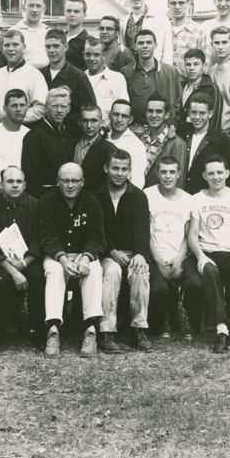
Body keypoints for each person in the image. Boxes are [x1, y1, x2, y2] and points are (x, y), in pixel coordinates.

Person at [184, 155, 230, 352]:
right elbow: (192, 234)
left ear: (227, 173)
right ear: (204, 175)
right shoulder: (197, 199)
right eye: (211, 173)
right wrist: (200, 257)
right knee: (210, 272)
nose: (216, 177)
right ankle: (222, 330)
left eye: (220, 172)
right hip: (207, 252)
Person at [40, 163, 106, 358]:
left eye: (75, 181)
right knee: (54, 271)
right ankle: (53, 331)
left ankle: (90, 330)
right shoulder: (47, 201)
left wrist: (86, 257)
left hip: (83, 254)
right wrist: (62, 259)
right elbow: (46, 236)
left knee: (94, 270)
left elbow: (97, 237)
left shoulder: (91, 202)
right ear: (57, 182)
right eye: (65, 180)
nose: (70, 185)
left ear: (82, 182)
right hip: (56, 255)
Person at [0, 166, 46, 346]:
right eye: (10, 181)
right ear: (0, 185)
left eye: (19, 182)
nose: (15, 185)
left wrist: (24, 263)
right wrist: (13, 271)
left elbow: (40, 240)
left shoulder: (36, 205)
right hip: (2, 263)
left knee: (38, 277)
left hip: (29, 260)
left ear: (25, 185)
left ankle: (38, 330)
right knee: (0, 280)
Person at [97, 149, 153, 353]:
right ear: (106, 169)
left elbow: (142, 229)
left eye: (124, 169)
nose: (119, 173)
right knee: (112, 272)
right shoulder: (97, 194)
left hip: (132, 251)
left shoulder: (138, 196)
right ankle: (107, 331)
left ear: (129, 170)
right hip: (106, 253)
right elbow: (98, 230)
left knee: (141, 271)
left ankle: (138, 329)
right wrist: (111, 251)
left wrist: (139, 253)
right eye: (115, 168)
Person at [143, 157, 194, 340]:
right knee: (157, 288)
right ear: (157, 172)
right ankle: (163, 320)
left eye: (172, 172)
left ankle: (186, 317)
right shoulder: (148, 195)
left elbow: (189, 236)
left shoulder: (188, 199)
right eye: (163, 171)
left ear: (178, 174)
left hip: (180, 256)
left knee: (195, 282)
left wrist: (179, 260)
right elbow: (146, 233)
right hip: (155, 255)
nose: (167, 176)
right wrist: (157, 259)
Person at [20, 87, 77, 198]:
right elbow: (31, 177)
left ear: (69, 109)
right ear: (46, 108)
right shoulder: (34, 136)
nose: (59, 110)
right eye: (55, 106)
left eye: (63, 106)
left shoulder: (69, 134)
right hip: (45, 198)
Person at [41, 28, 96, 137]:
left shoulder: (78, 76)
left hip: (70, 137)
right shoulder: (40, 75)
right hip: (43, 135)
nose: (51, 50)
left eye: (56, 46)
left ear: (65, 47)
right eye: (48, 46)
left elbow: (90, 109)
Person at [122, 29, 180, 128]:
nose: (145, 46)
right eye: (140, 43)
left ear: (156, 45)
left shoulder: (170, 71)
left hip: (161, 129)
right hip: (133, 128)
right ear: (135, 46)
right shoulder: (126, 72)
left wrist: (172, 126)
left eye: (149, 42)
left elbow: (177, 103)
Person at [0, 28, 48, 124]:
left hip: (22, 132)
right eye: (7, 45)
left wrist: (12, 118)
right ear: (2, 49)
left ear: (24, 47)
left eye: (15, 44)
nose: (11, 49)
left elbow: (41, 108)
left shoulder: (34, 75)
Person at [0, 89, 30, 199]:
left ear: (27, 107)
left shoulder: (28, 133)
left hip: (25, 197)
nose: (18, 109)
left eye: (22, 105)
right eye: (14, 105)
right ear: (5, 108)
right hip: (2, 197)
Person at [183, 94, 230, 194]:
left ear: (210, 113)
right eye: (194, 112)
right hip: (181, 197)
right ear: (189, 113)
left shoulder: (222, 141)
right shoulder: (182, 134)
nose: (197, 117)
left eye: (202, 113)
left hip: (206, 198)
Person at [120, 0, 173, 64]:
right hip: (130, 73)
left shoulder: (160, 20)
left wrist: (164, 74)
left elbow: (167, 51)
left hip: (154, 72)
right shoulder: (123, 22)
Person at [141, 95, 187, 188]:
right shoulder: (140, 139)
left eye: (158, 111)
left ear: (166, 115)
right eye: (150, 111)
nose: (154, 115)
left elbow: (179, 180)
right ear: (146, 113)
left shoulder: (177, 143)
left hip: (162, 196)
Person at [206, 25, 230, 131]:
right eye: (217, 43)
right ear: (211, 45)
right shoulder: (212, 70)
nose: (220, 47)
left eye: (224, 42)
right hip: (214, 128)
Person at [83, 37, 129, 121]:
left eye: (96, 55)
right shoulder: (80, 78)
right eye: (88, 54)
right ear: (83, 55)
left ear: (104, 55)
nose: (92, 59)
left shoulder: (117, 79)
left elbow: (123, 109)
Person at [106, 99, 149, 187]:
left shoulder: (136, 145)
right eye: (116, 114)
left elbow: (137, 182)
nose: (119, 119)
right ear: (110, 116)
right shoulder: (105, 138)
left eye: (124, 116)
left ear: (130, 119)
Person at [73, 105, 114, 194]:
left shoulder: (108, 149)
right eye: (85, 121)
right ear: (79, 122)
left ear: (101, 122)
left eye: (94, 121)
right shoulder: (72, 145)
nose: (89, 125)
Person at [167, 0, 205, 77]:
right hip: (165, 84)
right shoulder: (163, 30)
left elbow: (205, 64)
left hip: (189, 84)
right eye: (173, 3)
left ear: (188, 4)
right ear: (168, 5)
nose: (177, 7)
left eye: (181, 3)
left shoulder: (199, 30)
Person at [176, 48, 217, 133]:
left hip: (200, 138)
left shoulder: (211, 88)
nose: (191, 68)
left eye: (196, 64)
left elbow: (214, 120)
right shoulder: (180, 86)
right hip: (179, 137)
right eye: (188, 64)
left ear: (204, 65)